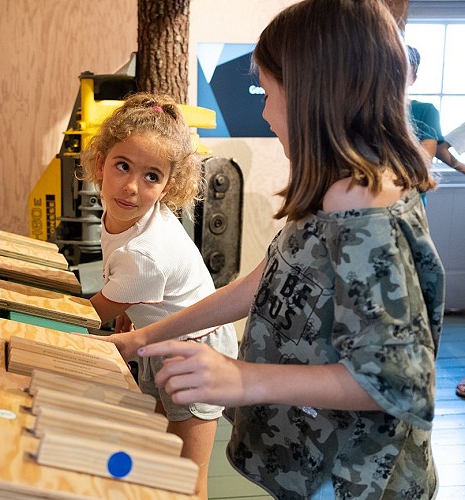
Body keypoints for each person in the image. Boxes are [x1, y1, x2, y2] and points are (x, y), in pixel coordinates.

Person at [101, 1, 445, 498]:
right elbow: (265, 280)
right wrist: (145, 337)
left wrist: (243, 380)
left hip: (353, 478)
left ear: (312, 91)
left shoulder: (368, 211)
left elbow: (400, 381)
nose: (264, 110)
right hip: (309, 463)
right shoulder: (331, 186)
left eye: (268, 91)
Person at [79, 92, 238, 499]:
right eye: (122, 166)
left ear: (170, 184)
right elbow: (127, 297)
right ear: (101, 163)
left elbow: (93, 312)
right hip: (158, 341)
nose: (131, 187)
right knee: (158, 455)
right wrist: (129, 311)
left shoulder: (144, 253)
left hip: (198, 352)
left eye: (152, 176)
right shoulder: (123, 216)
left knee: (188, 477)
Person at [407, 46, 465, 174]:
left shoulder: (425, 111)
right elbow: (441, 149)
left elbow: (427, 160)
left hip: (408, 188)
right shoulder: (364, 111)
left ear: (413, 78)